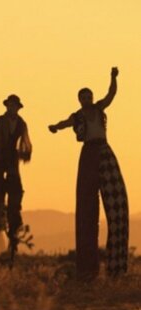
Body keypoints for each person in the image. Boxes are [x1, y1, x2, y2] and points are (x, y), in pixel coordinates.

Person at [48, 67, 128, 281]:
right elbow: (67, 123)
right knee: (86, 209)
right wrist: (56, 126)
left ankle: (117, 266)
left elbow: (111, 95)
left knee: (118, 203)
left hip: (103, 149)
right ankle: (86, 270)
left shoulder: (100, 108)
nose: (87, 99)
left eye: (88, 96)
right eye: (83, 97)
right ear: (79, 100)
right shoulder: (78, 116)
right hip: (89, 153)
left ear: (91, 97)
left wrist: (112, 78)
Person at [0, 94, 33, 254]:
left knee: (15, 189)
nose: (12, 108)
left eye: (14, 105)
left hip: (11, 157)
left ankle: (13, 222)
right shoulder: (0, 120)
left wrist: (23, 153)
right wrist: (0, 153)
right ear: (7, 106)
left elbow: (25, 142)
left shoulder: (21, 123)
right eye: (10, 105)